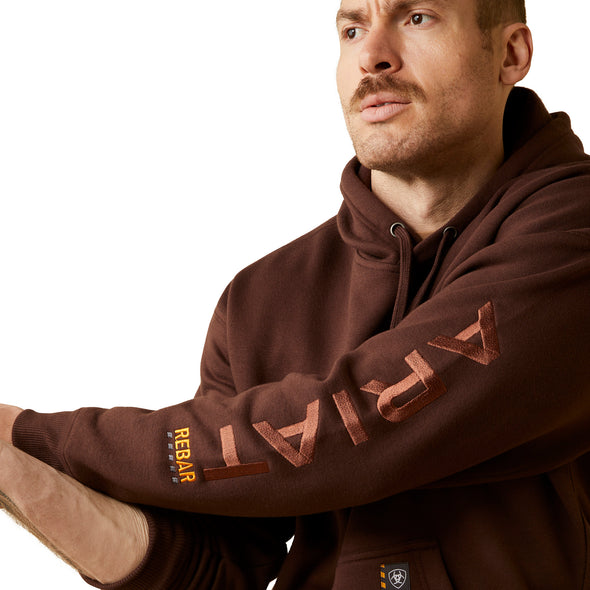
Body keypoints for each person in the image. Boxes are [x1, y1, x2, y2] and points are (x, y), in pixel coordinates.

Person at [1, 0, 590, 588]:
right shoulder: (261, 298)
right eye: (353, 29)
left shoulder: (574, 232)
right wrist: (15, 467)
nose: (373, 56)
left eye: (417, 18)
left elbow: (358, 424)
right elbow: (217, 563)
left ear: (511, 53)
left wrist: (45, 436)